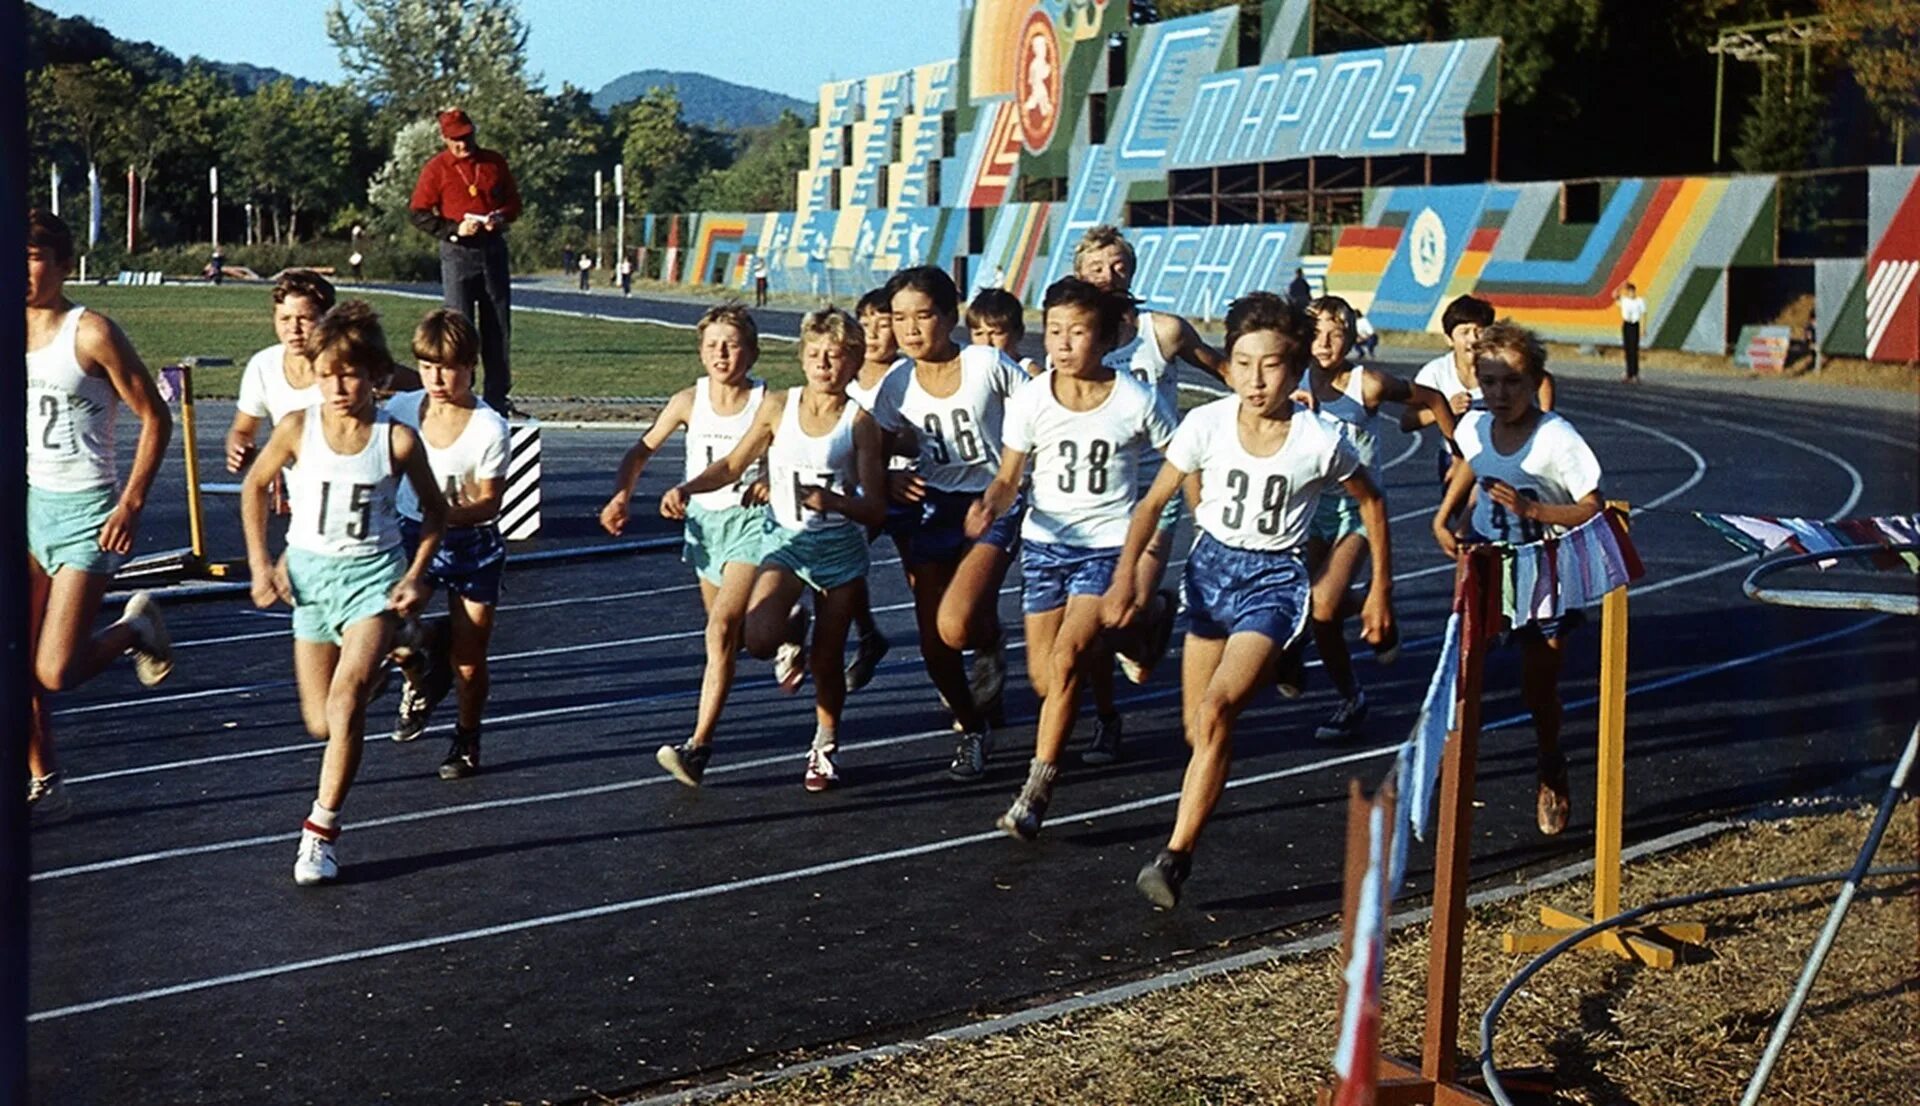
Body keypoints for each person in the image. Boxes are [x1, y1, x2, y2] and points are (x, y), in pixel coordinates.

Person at [1117, 292, 1393, 908]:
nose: (1254, 378)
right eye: (1241, 364)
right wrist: (1121, 579)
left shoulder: (1318, 440)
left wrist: (1380, 591)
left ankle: (1174, 857)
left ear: (1294, 371)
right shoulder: (1205, 424)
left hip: (1273, 580)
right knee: (1198, 732)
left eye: (1269, 365)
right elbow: (1152, 502)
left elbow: (1371, 502)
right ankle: (1273, 662)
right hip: (1212, 572)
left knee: (1216, 712)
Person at [240, 301, 447, 884]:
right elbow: (255, 488)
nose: (338, 385)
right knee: (320, 723)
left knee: (345, 701)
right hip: (309, 579)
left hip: (372, 582)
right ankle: (408, 648)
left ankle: (320, 835)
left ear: (376, 375)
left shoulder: (397, 441)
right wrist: (261, 564)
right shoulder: (297, 429)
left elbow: (435, 516)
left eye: (351, 373)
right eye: (328, 372)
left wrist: (414, 576)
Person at [970, 277, 1177, 839]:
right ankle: (1149, 619)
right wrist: (989, 505)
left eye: (1077, 332)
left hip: (1107, 546)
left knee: (1066, 661)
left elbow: (1178, 457)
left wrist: (1175, 519)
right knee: (1044, 679)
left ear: (1105, 337)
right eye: (1054, 331)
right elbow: (1011, 476)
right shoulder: (1032, 399)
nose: (1062, 344)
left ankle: (1035, 793)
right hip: (1045, 546)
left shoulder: (1134, 398)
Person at [660, 307, 888, 790]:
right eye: (814, 354)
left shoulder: (859, 422)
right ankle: (792, 626)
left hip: (838, 550)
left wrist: (836, 502)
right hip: (785, 541)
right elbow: (733, 464)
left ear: (853, 362)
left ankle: (823, 746)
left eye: (835, 355)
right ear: (802, 358)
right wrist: (688, 487)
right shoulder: (779, 406)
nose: (824, 363)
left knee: (827, 661)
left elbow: (876, 511)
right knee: (759, 639)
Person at [23, 210, 176, 819]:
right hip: (29, 506)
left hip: (89, 511)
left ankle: (135, 629)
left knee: (55, 671)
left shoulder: (90, 333)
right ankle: (42, 773)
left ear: (62, 266)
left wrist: (132, 502)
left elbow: (155, 419)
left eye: (33, 259)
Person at [1432, 322, 1603, 837]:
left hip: (1544, 570)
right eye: (1490, 382)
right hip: (1487, 562)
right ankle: (1454, 771)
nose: (1500, 394)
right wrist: (1448, 517)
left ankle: (1551, 760)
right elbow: (1470, 463)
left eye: (1512, 383)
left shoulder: (1557, 438)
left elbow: (1593, 508)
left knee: (1538, 685)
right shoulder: (1476, 426)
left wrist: (1533, 508)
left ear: (1535, 382)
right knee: (1463, 672)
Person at [869, 266, 1029, 777]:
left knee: (956, 622)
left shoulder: (986, 363)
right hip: (934, 502)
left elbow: (1040, 411)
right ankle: (973, 729)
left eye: (923, 316)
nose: (910, 329)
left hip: (995, 498)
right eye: (899, 319)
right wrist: (891, 478)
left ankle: (987, 640)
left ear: (950, 316)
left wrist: (1013, 479)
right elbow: (873, 448)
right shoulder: (897, 382)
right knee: (933, 644)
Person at [600, 306, 770, 785]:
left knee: (718, 632)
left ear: (752, 352)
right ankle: (786, 626)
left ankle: (697, 747)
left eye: (732, 343)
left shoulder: (767, 403)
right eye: (712, 343)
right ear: (700, 350)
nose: (721, 352)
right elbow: (641, 449)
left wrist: (773, 477)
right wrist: (622, 494)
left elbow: (793, 449)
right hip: (703, 526)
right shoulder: (687, 401)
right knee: (732, 641)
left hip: (750, 523)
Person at [1286, 296, 1450, 740]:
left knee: (1321, 605)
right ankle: (1356, 660)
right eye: (1316, 333)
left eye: (1336, 334)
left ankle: (1350, 697)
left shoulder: (1368, 384)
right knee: (1306, 606)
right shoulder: (1291, 381)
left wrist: (1457, 447)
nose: (1324, 343)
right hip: (1309, 507)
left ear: (1351, 337)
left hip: (1357, 510)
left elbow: (1432, 397)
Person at [1073, 225, 1226, 685]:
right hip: (1097, 489)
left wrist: (1286, 399)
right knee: (1101, 614)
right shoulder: (1075, 335)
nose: (1108, 275)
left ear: (1133, 271)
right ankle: (1139, 641)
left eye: (1118, 265)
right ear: (1079, 274)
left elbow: (1222, 369)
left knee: (1127, 607)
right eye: (1096, 267)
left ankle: (1156, 606)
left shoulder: (1164, 330)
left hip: (1156, 483)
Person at [384, 309, 513, 780]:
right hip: (410, 536)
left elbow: (489, 504)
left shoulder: (489, 428)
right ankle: (421, 671)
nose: (438, 379)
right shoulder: (400, 411)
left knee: (469, 659)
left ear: (470, 366)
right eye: (427, 367)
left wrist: (444, 515)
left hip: (469, 545)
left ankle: (466, 735)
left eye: (449, 368)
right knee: (385, 631)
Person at [410, 108, 522, 414]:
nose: (463, 145)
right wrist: (454, 230)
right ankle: (461, 395)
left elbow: (514, 203)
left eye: (467, 137)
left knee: (497, 326)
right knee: (458, 325)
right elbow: (418, 212)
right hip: (458, 253)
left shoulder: (493, 162)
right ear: (445, 139)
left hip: (492, 250)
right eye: (456, 140)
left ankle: (498, 398)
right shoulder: (437, 168)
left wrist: (500, 216)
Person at [1400, 293, 1560, 485]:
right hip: (1456, 456)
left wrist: (1543, 418)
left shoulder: (1499, 363)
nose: (1473, 340)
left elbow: (1542, 378)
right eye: (1464, 332)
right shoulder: (1436, 372)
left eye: (1479, 331)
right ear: (1449, 339)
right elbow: (1407, 421)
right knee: (1463, 512)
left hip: (1506, 453)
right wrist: (1443, 409)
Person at [840, 287, 911, 691]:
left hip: (909, 489)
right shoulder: (843, 377)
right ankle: (868, 634)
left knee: (926, 586)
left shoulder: (909, 377)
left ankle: (962, 671)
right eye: (864, 324)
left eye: (882, 325)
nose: (872, 334)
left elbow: (914, 439)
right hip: (861, 490)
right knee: (837, 561)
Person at [225, 272, 337, 504]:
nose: (293, 329)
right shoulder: (263, 365)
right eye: (284, 319)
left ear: (327, 319)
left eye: (304, 318)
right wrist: (238, 447)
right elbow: (242, 429)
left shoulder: (349, 362)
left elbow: (413, 381)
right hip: (303, 502)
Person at [966, 287, 1039, 376]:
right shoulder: (963, 371)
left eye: (996, 334)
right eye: (978, 334)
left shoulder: (1030, 375)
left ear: (1019, 333)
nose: (987, 343)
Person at [1615, 282, 1647, 383]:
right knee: (1627, 349)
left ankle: (1635, 373)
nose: (1631, 293)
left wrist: (1643, 328)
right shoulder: (1624, 300)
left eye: (1632, 292)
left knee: (1634, 349)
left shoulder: (1639, 301)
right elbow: (1614, 295)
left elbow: (1643, 314)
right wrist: (1621, 286)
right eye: (1629, 292)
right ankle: (1628, 373)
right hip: (1626, 325)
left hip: (1635, 325)